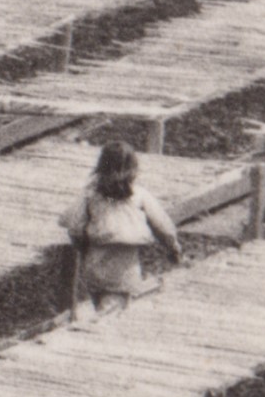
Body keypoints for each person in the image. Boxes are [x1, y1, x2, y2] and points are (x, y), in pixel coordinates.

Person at [66, 133, 185, 317]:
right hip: (124, 266)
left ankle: (100, 324)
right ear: (133, 169)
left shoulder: (90, 196)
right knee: (114, 308)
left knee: (102, 303)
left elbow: (74, 225)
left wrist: (82, 245)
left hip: (95, 261)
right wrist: (173, 247)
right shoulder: (139, 195)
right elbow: (162, 225)